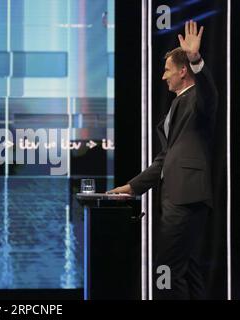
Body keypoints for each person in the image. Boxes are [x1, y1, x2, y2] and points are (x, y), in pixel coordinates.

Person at [108, 21, 218, 299]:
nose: (162, 77)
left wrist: (196, 60)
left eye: (167, 70)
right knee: (188, 270)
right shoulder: (177, 104)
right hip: (176, 198)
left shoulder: (198, 99)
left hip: (185, 198)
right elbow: (165, 158)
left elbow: (209, 93)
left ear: (183, 72)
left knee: (167, 269)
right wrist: (133, 187)